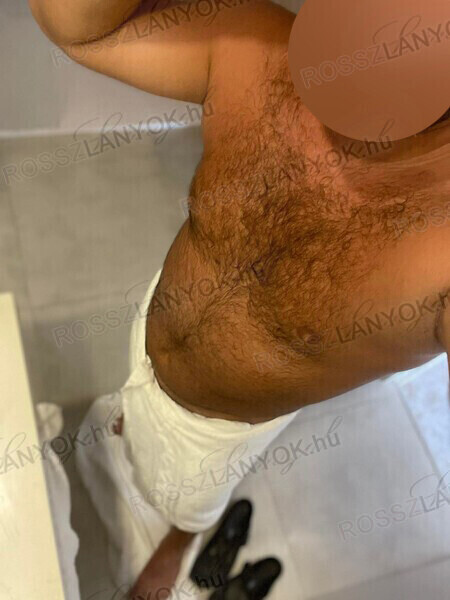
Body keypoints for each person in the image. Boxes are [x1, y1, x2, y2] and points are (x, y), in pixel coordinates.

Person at [29, 0, 450, 597]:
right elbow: (79, 31)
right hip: (153, 329)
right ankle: (140, 424)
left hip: (218, 433)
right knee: (137, 412)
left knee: (194, 496)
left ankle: (181, 541)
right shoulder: (262, 50)